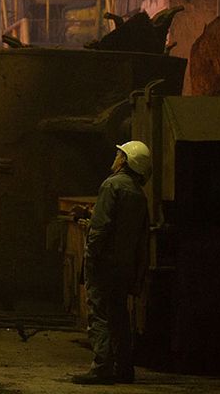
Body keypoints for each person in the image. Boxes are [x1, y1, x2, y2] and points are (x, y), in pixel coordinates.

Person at [72, 141, 152, 385]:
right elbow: (141, 237)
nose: (116, 157)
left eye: (119, 154)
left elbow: (102, 227)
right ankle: (124, 368)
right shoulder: (138, 194)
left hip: (103, 263)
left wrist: (90, 255)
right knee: (119, 315)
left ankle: (102, 367)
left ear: (126, 161)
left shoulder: (111, 185)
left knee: (99, 313)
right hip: (123, 266)